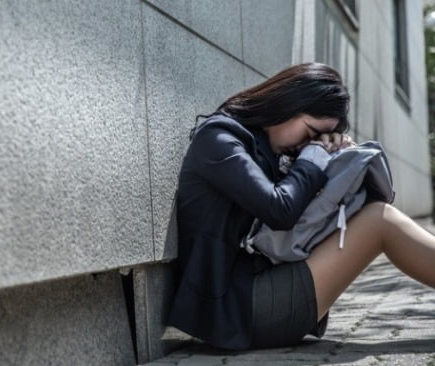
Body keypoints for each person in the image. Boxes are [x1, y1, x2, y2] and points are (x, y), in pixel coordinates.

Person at [166, 62, 435, 350]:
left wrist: (334, 166)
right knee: (380, 221)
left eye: (317, 139)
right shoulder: (219, 139)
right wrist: (313, 159)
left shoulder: (267, 149)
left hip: (262, 291)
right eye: (309, 133)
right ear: (288, 104)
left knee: (376, 216)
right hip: (238, 309)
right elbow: (279, 209)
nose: (307, 145)